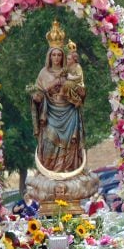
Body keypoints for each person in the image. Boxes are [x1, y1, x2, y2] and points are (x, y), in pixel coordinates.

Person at [30, 20, 85, 173]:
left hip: (68, 113)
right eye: (53, 55)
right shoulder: (43, 73)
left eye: (59, 55)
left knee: (69, 146)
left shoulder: (70, 72)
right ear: (49, 56)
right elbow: (38, 93)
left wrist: (79, 93)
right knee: (49, 145)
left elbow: (80, 89)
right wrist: (37, 98)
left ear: (63, 56)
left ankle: (67, 174)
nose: (56, 58)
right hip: (50, 115)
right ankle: (50, 175)